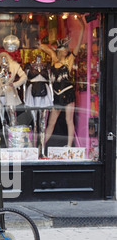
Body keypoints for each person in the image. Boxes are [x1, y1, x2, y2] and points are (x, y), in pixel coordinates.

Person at [39, 15, 85, 147]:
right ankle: (41, 146)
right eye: (64, 49)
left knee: (68, 120)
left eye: (66, 49)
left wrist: (82, 27)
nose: (66, 50)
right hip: (56, 94)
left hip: (67, 92)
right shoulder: (54, 59)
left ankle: (69, 146)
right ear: (59, 50)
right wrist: (49, 46)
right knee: (51, 122)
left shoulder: (69, 61)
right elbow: (43, 47)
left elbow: (77, 45)